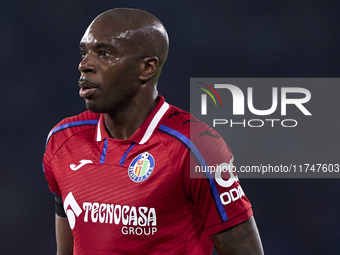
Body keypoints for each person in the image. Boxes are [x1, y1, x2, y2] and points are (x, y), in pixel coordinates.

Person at [43, 8, 264, 255]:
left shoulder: (196, 148)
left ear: (146, 68)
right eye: (84, 52)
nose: (84, 65)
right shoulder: (62, 140)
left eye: (104, 53)